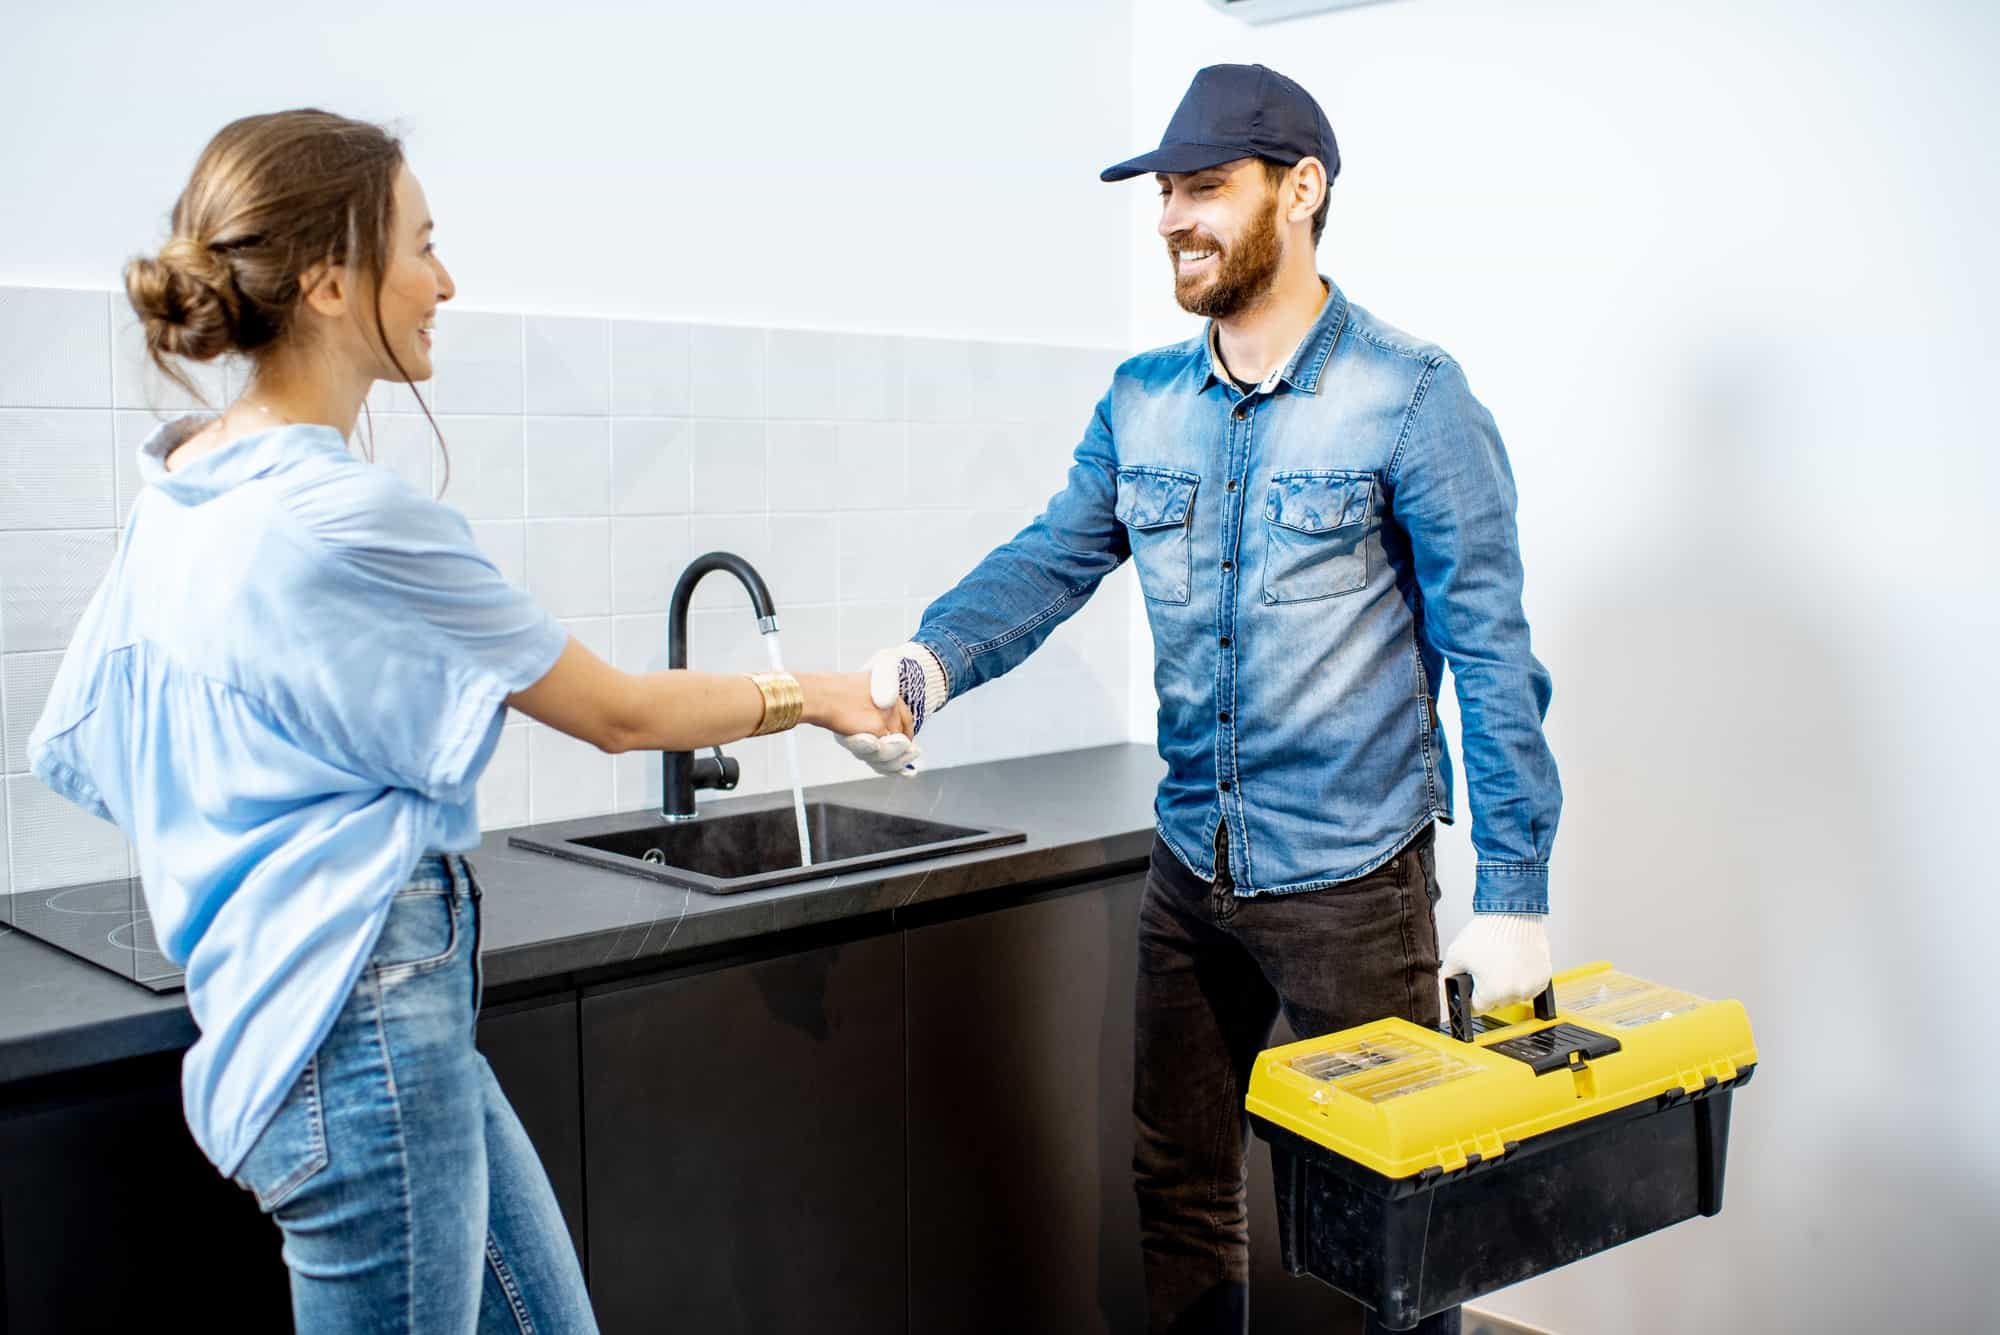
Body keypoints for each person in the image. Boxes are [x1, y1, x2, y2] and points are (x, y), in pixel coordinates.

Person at [27, 108, 909, 1335]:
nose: (445, 281)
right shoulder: (350, 517)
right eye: (421, 245)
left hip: (314, 1010)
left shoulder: (183, 484)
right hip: (360, 1023)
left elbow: (99, 742)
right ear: (332, 280)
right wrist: (815, 693)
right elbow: (613, 712)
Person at [841, 64, 1562, 1335]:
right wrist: (926, 665)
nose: (1173, 215)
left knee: (1386, 1218)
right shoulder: (1140, 401)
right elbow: (1050, 558)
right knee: (1177, 1188)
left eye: (1204, 187)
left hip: (1351, 884)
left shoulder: (1410, 398)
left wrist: (1513, 895)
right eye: (1164, 191)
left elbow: (1494, 659)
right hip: (1191, 872)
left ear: (1302, 189)